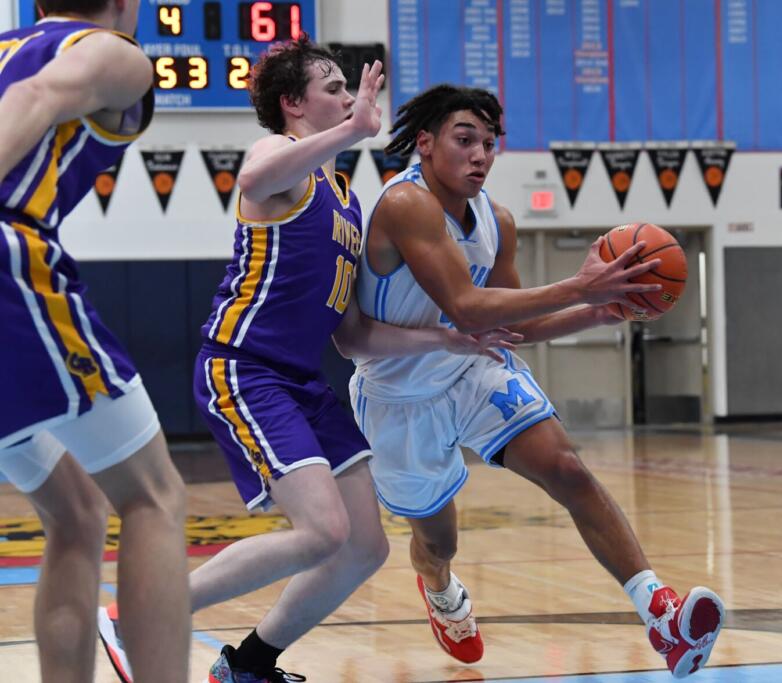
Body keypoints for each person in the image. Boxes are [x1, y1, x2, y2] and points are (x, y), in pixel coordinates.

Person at [97, 38, 519, 683]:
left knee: (365, 546)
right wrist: (356, 129)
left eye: (351, 90)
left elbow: (352, 337)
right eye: (333, 88)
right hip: (245, 366)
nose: (350, 98)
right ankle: (136, 620)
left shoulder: (345, 197)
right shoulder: (276, 159)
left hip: (304, 381)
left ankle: (250, 665)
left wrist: (448, 338)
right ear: (293, 104)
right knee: (321, 532)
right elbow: (253, 179)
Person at [350, 84, 724, 679]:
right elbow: (469, 308)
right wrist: (581, 287)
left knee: (569, 469)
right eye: (464, 139)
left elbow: (511, 326)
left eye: (490, 144)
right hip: (399, 394)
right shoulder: (406, 206)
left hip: (471, 370)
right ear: (424, 143)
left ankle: (662, 616)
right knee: (438, 543)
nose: (480, 155)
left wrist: (595, 313)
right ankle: (440, 590)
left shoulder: (496, 219)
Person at [0, 1, 192, 681]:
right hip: (10, 263)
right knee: (154, 496)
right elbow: (37, 93)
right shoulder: (114, 51)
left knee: (76, 510)